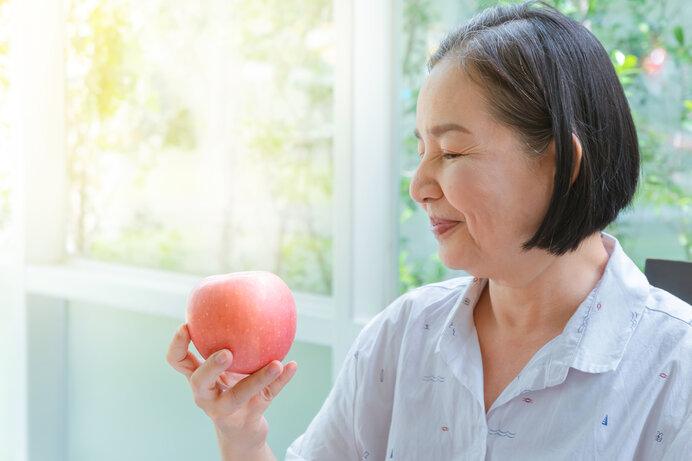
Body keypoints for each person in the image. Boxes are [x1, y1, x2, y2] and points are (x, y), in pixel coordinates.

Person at [166, 1, 692, 459]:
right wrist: (243, 437)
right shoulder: (401, 335)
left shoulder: (676, 372)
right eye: (421, 151)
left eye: (452, 151)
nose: (419, 185)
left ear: (561, 165)